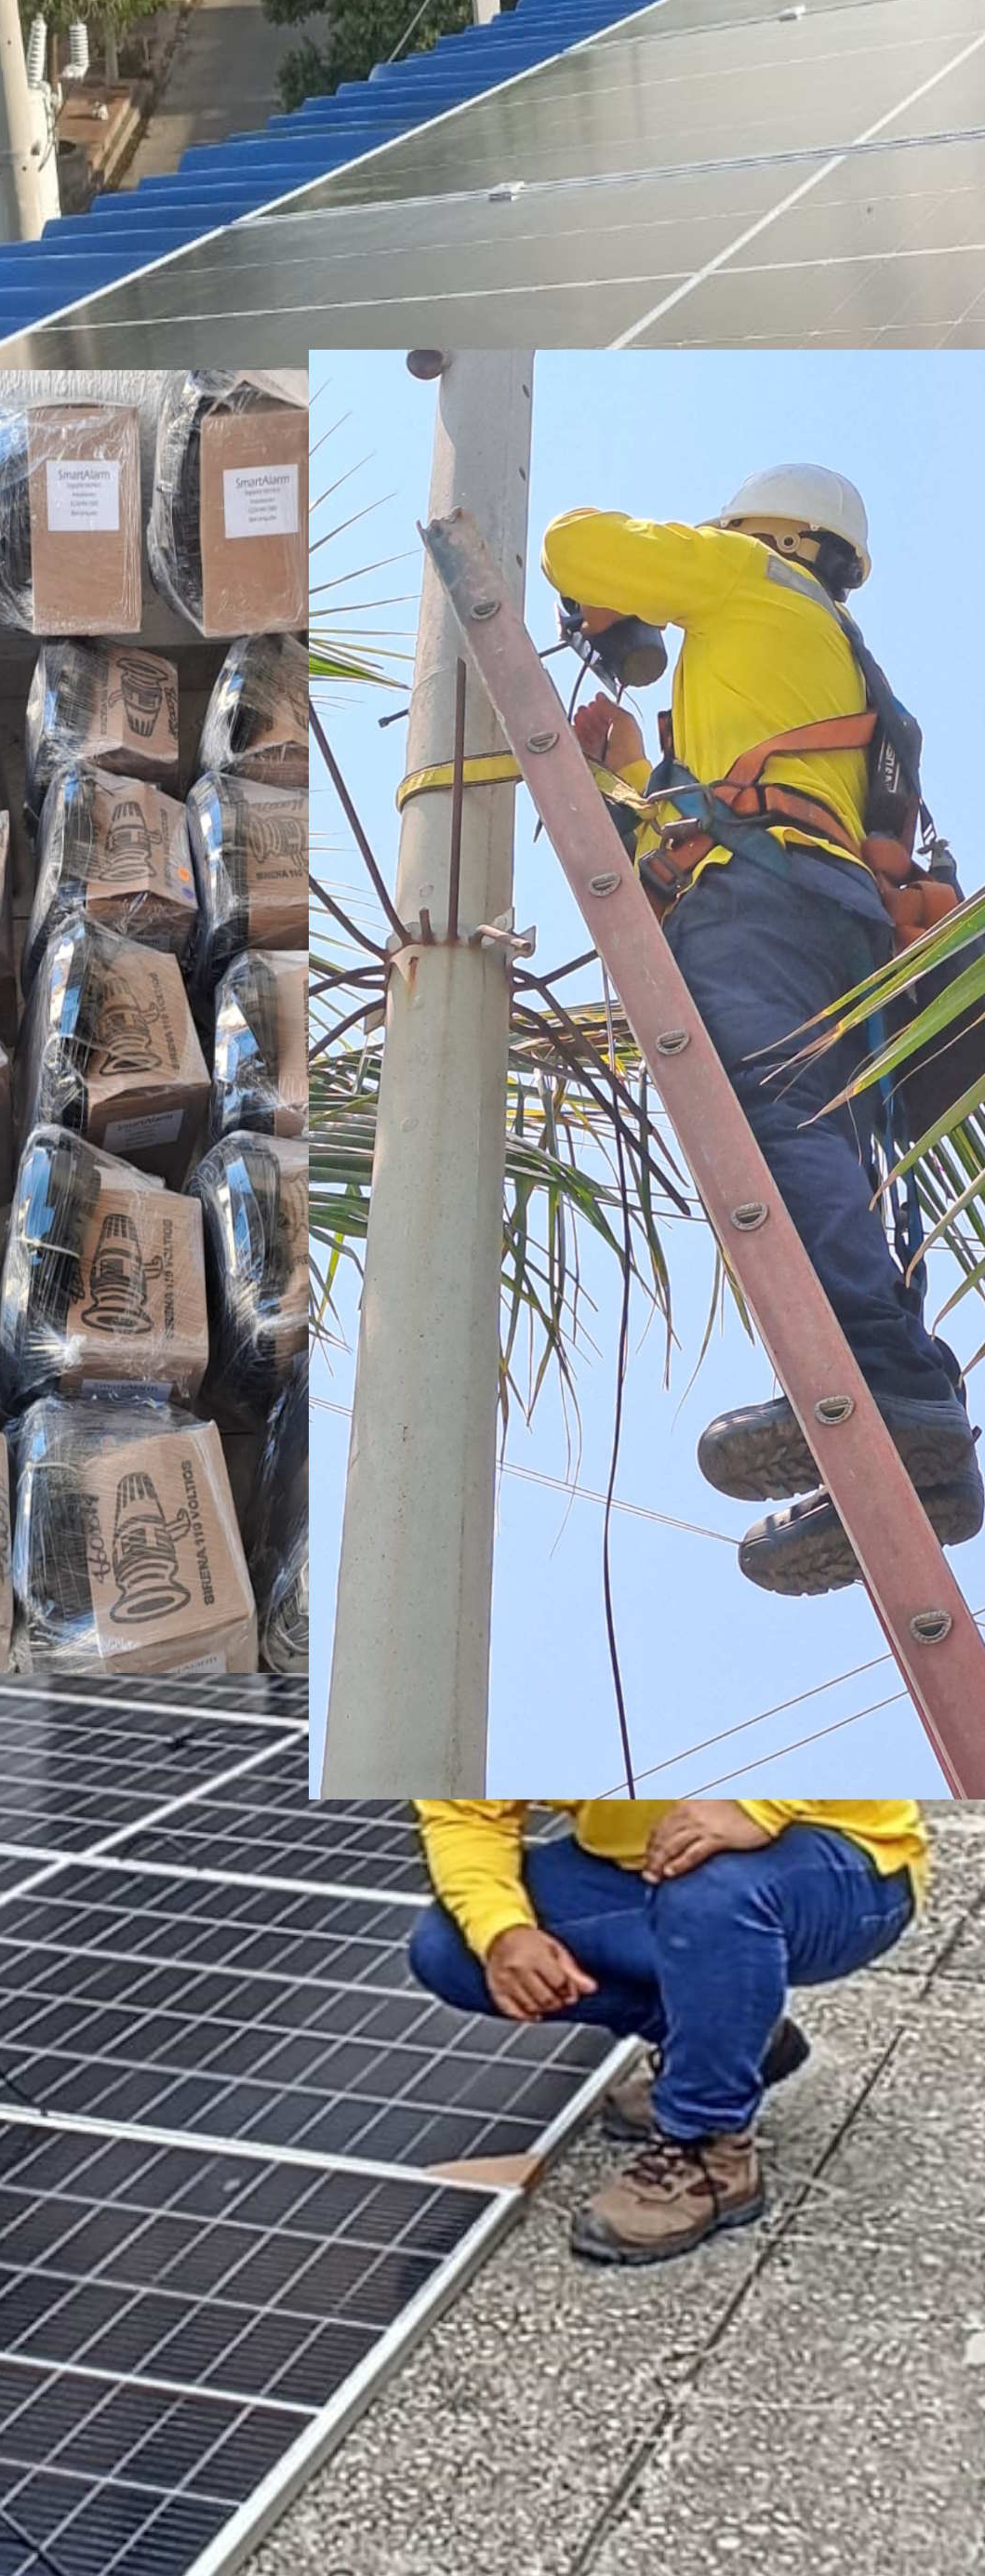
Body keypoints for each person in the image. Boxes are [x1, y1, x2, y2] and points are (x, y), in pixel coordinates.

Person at [544, 470, 980, 1595]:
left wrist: (631, 592)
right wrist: (634, 771)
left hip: (764, 901)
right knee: (843, 1156)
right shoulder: (823, 648)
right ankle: (916, 1434)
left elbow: (572, 541)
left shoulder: (745, 577)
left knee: (778, 1126)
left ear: (763, 534)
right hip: (834, 917)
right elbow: (752, 796)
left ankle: (887, 1381)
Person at [410, 1798, 925, 2264]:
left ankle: (708, 2149)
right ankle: (727, 2043)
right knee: (453, 1947)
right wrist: (503, 1930)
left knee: (713, 1893)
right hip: (657, 1871)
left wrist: (759, 1807)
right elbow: (465, 1813)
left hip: (838, 1861)